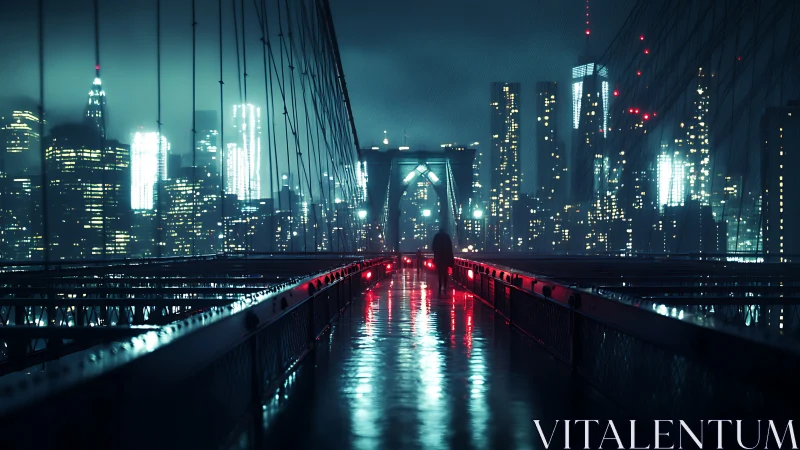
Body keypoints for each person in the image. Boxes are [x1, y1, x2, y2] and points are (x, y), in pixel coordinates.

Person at [431, 228, 454, 295]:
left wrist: (435, 255)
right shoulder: (447, 236)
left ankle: (440, 285)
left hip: (439, 257)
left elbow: (433, 247)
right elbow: (450, 248)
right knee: (445, 272)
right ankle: (445, 286)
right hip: (446, 257)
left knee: (439, 272)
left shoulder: (437, 236)